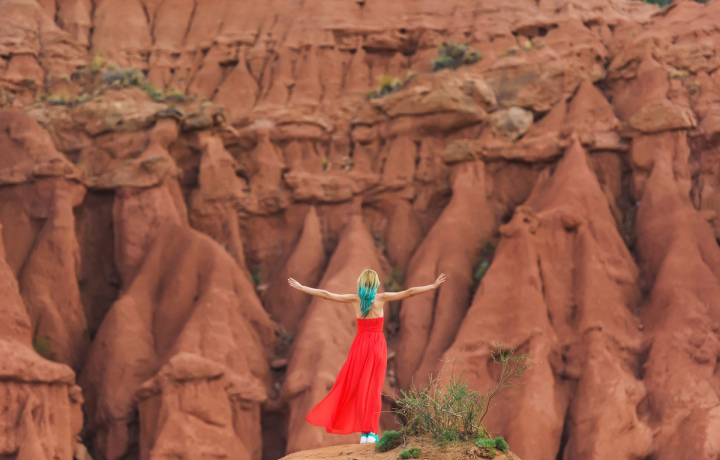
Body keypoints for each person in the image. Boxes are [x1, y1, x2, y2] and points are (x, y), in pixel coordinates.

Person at [288, 269, 447, 444]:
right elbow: (409, 292)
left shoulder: (355, 300)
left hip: (360, 346)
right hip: (377, 346)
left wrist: (303, 287)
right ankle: (371, 433)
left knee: (359, 388)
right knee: (374, 390)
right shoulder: (381, 298)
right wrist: (432, 286)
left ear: (361, 284)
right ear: (376, 284)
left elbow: (326, 295)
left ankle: (365, 434)